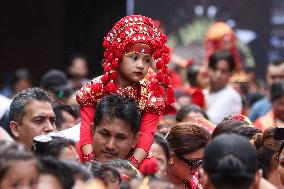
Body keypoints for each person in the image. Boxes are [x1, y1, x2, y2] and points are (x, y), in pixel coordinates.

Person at [76, 15, 174, 167]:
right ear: (118, 55)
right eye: (134, 58)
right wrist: (91, 160)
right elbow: (86, 129)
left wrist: (130, 166)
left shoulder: (150, 96)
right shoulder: (95, 88)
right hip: (93, 150)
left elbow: (146, 135)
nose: (141, 65)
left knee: (151, 164)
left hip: (132, 156)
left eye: (146, 60)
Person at [166, 121, 210, 188]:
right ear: (171, 157)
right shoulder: (150, 184)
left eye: (202, 161)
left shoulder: (200, 183)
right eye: (195, 162)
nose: (199, 168)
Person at [203, 50, 242, 124]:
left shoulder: (231, 96)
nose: (218, 74)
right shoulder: (204, 92)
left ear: (230, 74)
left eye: (223, 71)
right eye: (214, 69)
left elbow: (207, 123)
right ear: (208, 69)